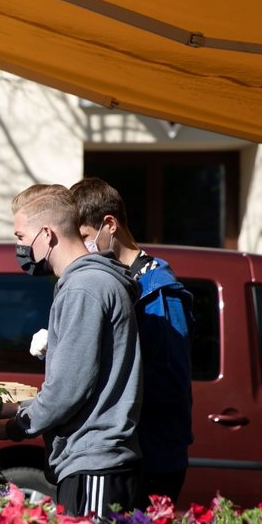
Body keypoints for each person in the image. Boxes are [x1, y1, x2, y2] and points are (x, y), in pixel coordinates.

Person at [0, 183, 143, 519]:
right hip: (93, 462)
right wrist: (9, 408)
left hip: (95, 464)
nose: (19, 247)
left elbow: (66, 391)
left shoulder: (85, 287)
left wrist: (11, 428)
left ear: (46, 234)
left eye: (21, 237)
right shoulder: (86, 283)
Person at [74, 177, 194, 504]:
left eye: (84, 236)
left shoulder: (158, 290)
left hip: (154, 453)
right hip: (128, 449)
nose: (82, 248)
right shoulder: (114, 281)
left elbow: (172, 379)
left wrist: (105, 383)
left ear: (109, 225)